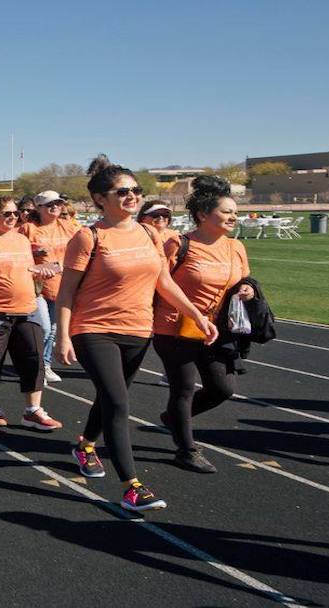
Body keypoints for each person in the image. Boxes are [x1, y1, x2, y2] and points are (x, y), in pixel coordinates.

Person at [55, 155, 217, 512]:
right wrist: (63, 335)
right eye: (122, 191)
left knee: (111, 397)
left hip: (138, 329)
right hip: (94, 329)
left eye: (136, 190)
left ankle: (84, 446)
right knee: (118, 402)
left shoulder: (148, 232)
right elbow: (66, 292)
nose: (132, 196)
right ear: (100, 198)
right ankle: (132, 486)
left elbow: (164, 281)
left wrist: (197, 315)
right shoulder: (88, 237)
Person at [152, 176, 253, 473]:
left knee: (222, 389)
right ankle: (186, 449)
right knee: (182, 388)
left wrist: (248, 290)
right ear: (202, 215)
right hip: (174, 326)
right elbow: (159, 281)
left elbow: (244, 279)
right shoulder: (179, 244)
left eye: (235, 211)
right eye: (226, 211)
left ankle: (174, 418)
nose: (233, 216)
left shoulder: (236, 247)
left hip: (216, 329)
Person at [0, 196, 62, 431]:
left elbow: (26, 270)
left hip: (27, 309)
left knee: (34, 359)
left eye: (15, 213)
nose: (12, 217)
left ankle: (32, 411)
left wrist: (42, 272)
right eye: (6, 214)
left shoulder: (20, 239)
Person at [20, 191, 80, 384]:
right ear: (39, 207)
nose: (55, 207)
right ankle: (37, 366)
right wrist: (38, 261)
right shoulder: (29, 229)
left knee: (53, 329)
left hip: (62, 287)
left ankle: (44, 365)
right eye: (49, 204)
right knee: (44, 328)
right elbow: (19, 257)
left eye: (58, 203)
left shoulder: (68, 226)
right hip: (36, 286)